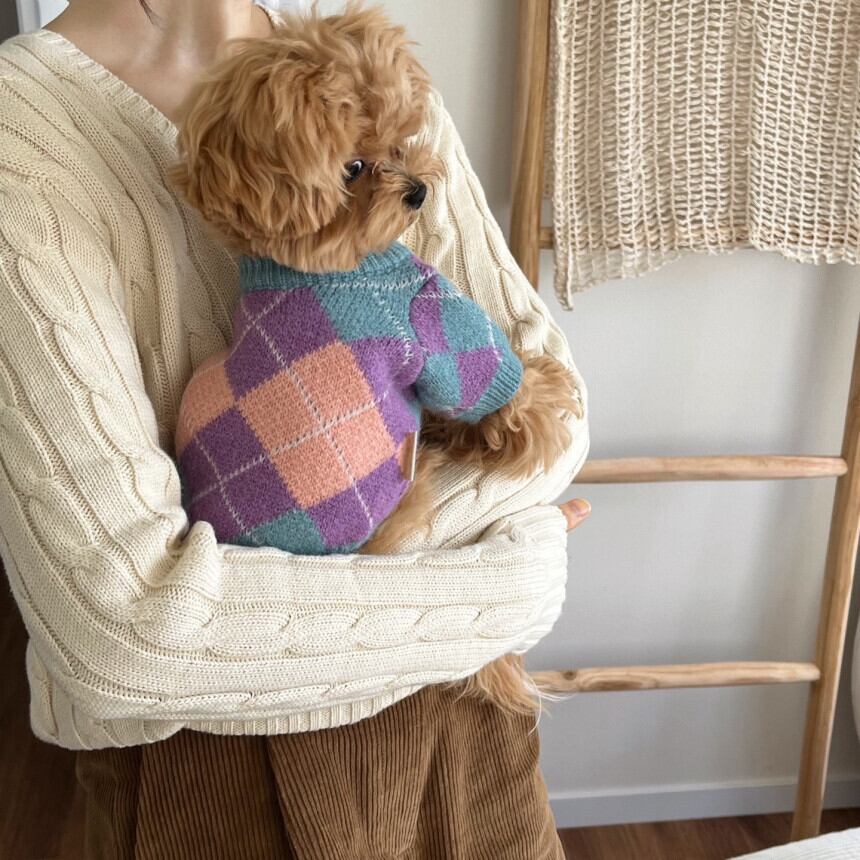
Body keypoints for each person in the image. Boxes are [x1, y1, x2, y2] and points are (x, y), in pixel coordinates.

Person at [0, 0, 591, 857]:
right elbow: (123, 637)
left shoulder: (373, 75)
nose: (397, 177)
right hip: (216, 775)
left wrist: (262, 589)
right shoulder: (20, 138)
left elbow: (551, 410)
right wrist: (506, 586)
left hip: (469, 715)